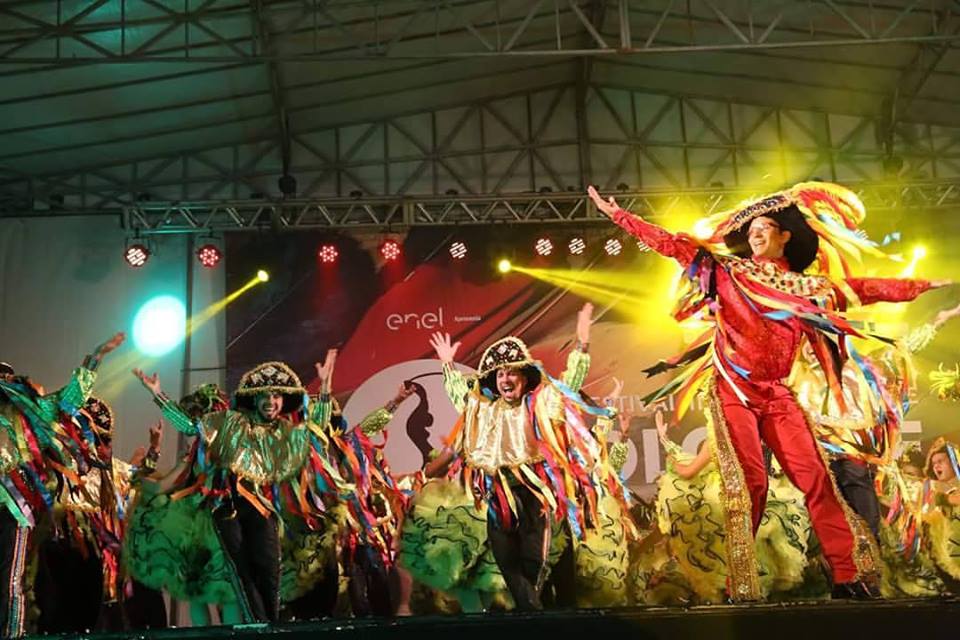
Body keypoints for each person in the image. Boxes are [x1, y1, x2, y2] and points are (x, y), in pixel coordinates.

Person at [590, 181, 948, 600]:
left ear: (785, 236)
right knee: (751, 483)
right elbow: (673, 245)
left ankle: (847, 576)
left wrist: (921, 285)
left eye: (764, 227)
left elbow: (863, 288)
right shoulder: (729, 273)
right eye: (751, 230)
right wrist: (620, 216)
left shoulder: (806, 288)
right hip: (733, 391)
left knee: (817, 480)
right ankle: (740, 584)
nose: (756, 234)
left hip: (776, 394)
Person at [404, 303, 632, 610]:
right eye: (500, 374)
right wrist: (447, 364)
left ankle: (542, 617)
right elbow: (461, 397)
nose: (505, 378)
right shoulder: (485, 411)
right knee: (509, 570)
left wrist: (582, 343)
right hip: (498, 500)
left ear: (524, 377)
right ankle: (530, 617)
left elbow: (570, 384)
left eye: (512, 372)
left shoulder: (539, 404)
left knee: (534, 568)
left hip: (533, 499)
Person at [132, 354, 352, 623]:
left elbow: (316, 426)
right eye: (264, 396)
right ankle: (256, 625)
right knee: (241, 572)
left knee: (269, 570)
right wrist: (158, 394)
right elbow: (190, 427)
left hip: (264, 510)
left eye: (276, 396)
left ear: (283, 400)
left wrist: (325, 386)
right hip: (227, 508)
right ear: (254, 399)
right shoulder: (229, 422)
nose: (270, 401)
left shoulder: (285, 431)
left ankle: (267, 625)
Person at [0, 332, 125, 637]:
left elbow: (67, 400)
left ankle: (11, 634)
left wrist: (95, 358)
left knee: (10, 578)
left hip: (14, 505)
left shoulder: (29, 412)